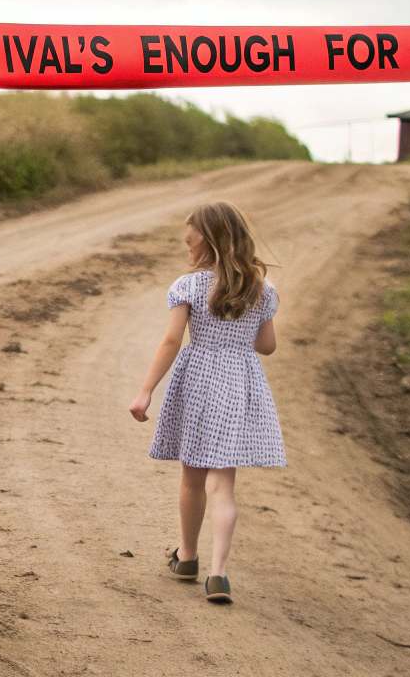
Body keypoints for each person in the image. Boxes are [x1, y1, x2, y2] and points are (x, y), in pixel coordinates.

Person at [127, 201, 284, 604]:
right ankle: (219, 574)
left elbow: (170, 341)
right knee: (224, 487)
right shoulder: (261, 291)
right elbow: (267, 346)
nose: (187, 248)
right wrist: (243, 330)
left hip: (198, 382)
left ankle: (188, 558)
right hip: (238, 385)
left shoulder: (189, 286)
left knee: (192, 478)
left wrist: (145, 390)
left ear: (207, 242)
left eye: (190, 241)